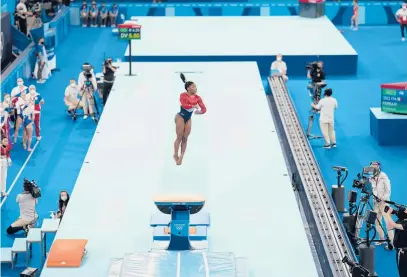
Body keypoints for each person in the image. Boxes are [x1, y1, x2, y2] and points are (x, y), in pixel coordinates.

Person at [173, 74, 207, 166]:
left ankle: (181, 156)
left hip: (188, 118)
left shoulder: (197, 98)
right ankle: (175, 154)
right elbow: (184, 104)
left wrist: (199, 112)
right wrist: (193, 106)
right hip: (180, 116)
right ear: (188, 89)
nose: (196, 88)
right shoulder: (183, 95)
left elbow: (204, 109)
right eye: (193, 87)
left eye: (196, 86)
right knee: (179, 137)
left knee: (185, 138)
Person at [369, 161, 394, 250]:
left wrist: (382, 198)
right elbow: (371, 189)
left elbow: (388, 191)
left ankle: (392, 242)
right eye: (372, 166)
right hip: (375, 203)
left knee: (388, 222)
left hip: (384, 203)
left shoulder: (384, 177)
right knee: (377, 221)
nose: (373, 167)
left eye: (375, 166)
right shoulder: (371, 177)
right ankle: (382, 239)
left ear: (379, 166)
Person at [384, 207, 407, 277]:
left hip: (404, 253)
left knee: (404, 273)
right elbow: (389, 227)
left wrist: (387, 215)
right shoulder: (402, 220)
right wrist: (390, 216)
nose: (404, 211)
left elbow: (394, 225)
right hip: (400, 252)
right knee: (401, 271)